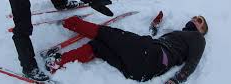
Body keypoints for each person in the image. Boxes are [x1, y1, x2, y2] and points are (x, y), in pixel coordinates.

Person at [46, 15, 208, 83]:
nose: (195, 19)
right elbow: (157, 39)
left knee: (108, 34)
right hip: (141, 72)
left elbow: (192, 62)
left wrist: (176, 80)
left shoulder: (198, 39)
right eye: (194, 17)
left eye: (199, 20)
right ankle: (58, 62)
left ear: (202, 31)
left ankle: (70, 22)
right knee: (98, 48)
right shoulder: (180, 36)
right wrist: (155, 25)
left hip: (152, 55)